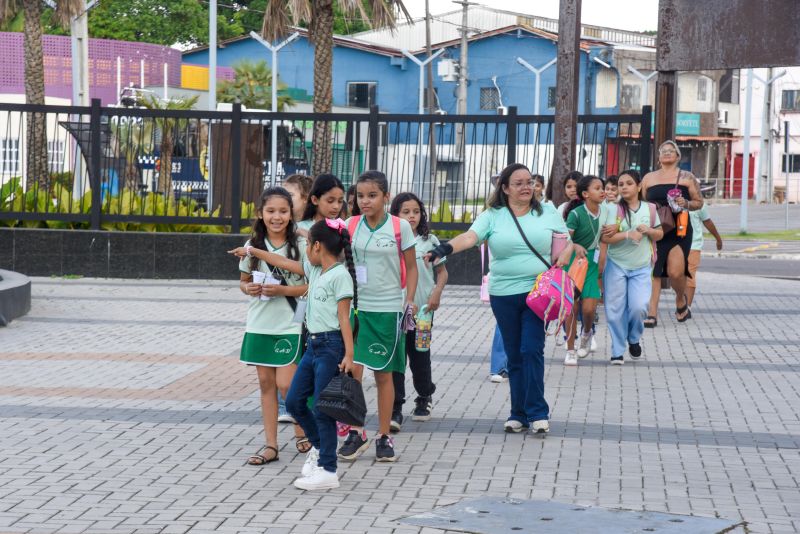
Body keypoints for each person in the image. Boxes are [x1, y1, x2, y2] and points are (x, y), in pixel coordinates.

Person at [426, 163, 579, 435]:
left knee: (531, 349)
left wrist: (566, 252)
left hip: (538, 293)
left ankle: (538, 412)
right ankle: (518, 413)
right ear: (505, 188)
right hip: (503, 293)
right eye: (518, 183)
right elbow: (471, 237)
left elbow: (565, 240)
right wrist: (445, 247)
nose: (526, 187)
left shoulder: (548, 212)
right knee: (514, 354)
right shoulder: (493, 215)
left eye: (529, 182)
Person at [229, 218, 358, 491]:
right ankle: (322, 449)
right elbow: (281, 261)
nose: (306, 249)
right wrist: (252, 251)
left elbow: (345, 319)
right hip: (312, 345)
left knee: (324, 409)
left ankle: (328, 470)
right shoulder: (314, 269)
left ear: (318, 247)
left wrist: (348, 353)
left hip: (331, 346)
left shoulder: (340, 275)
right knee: (297, 402)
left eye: (309, 244)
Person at [338, 170, 418, 462]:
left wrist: (409, 301)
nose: (365, 201)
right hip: (358, 309)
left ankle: (384, 437)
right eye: (360, 196)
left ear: (386, 197)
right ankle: (356, 433)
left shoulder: (400, 228)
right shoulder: (350, 225)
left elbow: (412, 267)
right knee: (353, 373)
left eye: (372, 195)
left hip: (387, 309)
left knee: (384, 375)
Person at [234, 187, 310, 465]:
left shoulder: (300, 245)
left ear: (291, 215)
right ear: (260, 214)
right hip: (259, 322)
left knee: (287, 384)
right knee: (266, 384)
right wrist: (248, 288)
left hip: (291, 322)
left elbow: (310, 284)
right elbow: (242, 281)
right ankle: (271, 445)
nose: (277, 217)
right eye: (271, 211)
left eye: (283, 211)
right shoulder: (251, 245)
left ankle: (303, 429)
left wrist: (283, 292)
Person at [389, 192, 448, 428]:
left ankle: (424, 396)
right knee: (396, 359)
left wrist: (437, 292)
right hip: (393, 310)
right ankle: (395, 405)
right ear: (396, 214)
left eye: (415, 212)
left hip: (422, 312)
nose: (411, 216)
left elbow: (442, 273)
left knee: (419, 355)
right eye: (406, 212)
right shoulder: (390, 241)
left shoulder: (429, 241)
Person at [600, 170, 663, 365]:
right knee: (615, 310)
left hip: (642, 266)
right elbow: (605, 238)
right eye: (621, 184)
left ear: (639, 186)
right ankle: (618, 350)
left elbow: (660, 234)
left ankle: (634, 338)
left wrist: (649, 231)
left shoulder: (651, 209)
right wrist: (627, 234)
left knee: (638, 307)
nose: (624, 187)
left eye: (628, 183)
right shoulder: (612, 210)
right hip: (616, 265)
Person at [642, 141, 704, 327]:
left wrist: (686, 203)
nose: (667, 153)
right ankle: (652, 313)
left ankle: (680, 299)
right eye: (663, 151)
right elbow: (643, 200)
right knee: (654, 271)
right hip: (656, 227)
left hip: (679, 228)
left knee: (676, 272)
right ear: (659, 157)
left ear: (678, 156)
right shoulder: (649, 178)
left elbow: (699, 202)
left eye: (671, 151)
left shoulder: (687, 177)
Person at [562, 175, 606, 366]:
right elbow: (565, 238)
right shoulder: (576, 214)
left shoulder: (607, 212)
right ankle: (571, 350)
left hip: (593, 263)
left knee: (589, 309)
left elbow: (607, 238)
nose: (602, 190)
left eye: (602, 187)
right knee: (571, 307)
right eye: (597, 188)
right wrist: (576, 245)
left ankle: (587, 333)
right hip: (573, 262)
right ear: (586, 194)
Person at [687, 201, 723, 309]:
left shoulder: (699, 204)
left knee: (689, 275)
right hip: (675, 245)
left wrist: (718, 239)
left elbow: (707, 222)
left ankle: (687, 307)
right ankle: (681, 302)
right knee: (677, 276)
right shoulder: (673, 199)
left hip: (693, 245)